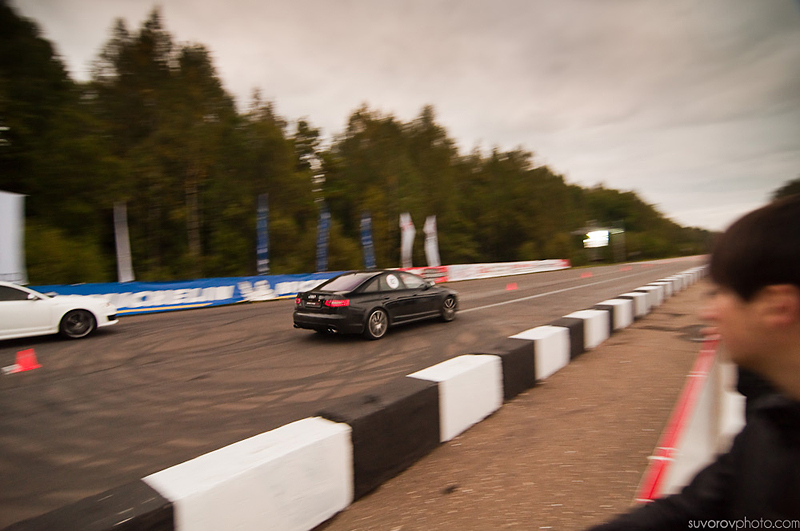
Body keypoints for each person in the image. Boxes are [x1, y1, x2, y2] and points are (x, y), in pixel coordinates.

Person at [588, 195, 800, 530]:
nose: (707, 312)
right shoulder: (771, 427)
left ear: (777, 306)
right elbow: (689, 511)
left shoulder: (773, 429)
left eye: (720, 293)